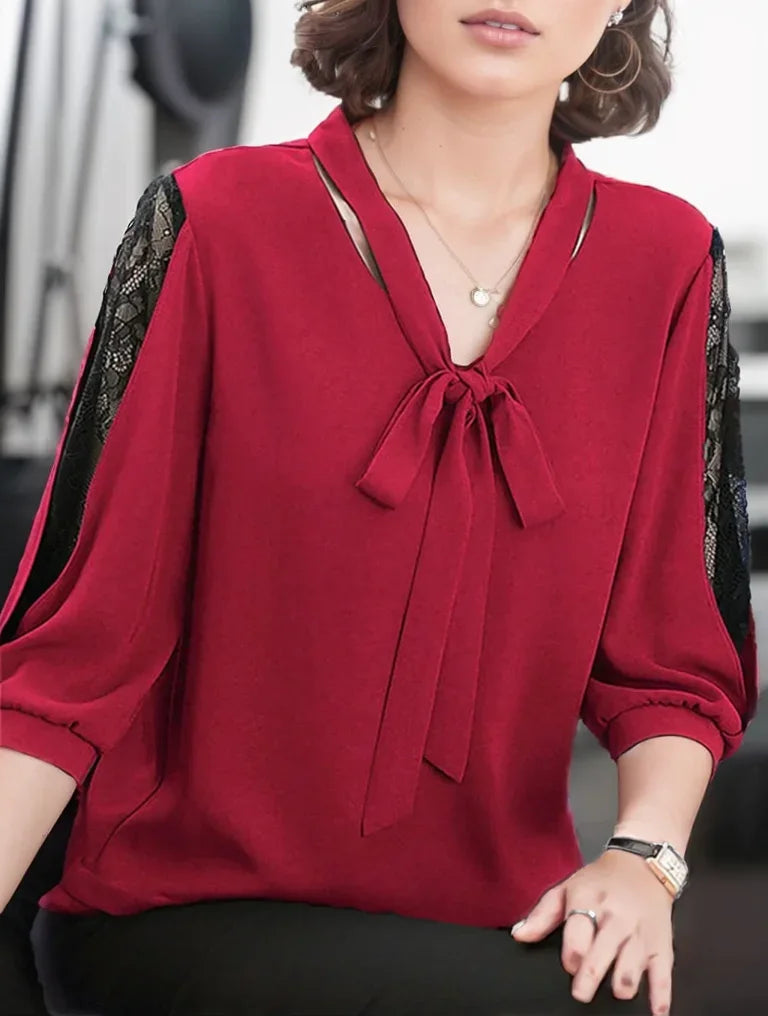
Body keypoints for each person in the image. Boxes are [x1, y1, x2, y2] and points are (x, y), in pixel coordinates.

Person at [0, 0, 758, 1013]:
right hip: (188, 911)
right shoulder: (216, 220)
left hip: (504, 915)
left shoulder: (665, 263)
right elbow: (74, 653)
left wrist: (643, 856)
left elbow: (673, 659)